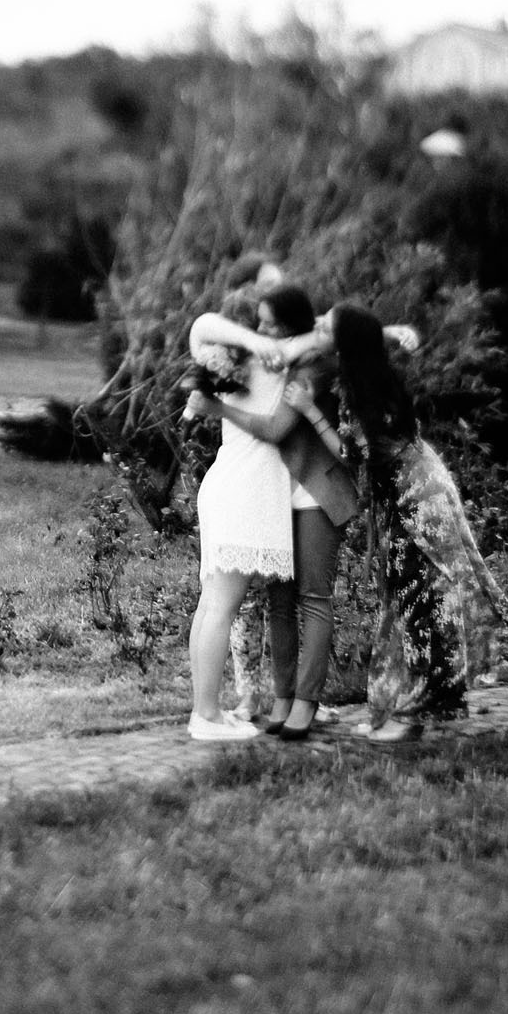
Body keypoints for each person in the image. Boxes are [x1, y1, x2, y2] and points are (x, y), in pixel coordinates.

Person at [189, 284, 425, 740]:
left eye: (270, 325)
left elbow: (327, 345)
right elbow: (214, 328)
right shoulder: (247, 361)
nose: (262, 332)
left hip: (296, 493)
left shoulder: (303, 367)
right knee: (256, 605)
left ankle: (294, 703)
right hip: (259, 495)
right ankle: (245, 705)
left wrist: (389, 332)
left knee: (298, 600)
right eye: (256, 324)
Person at [282, 305, 508, 743]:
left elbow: (353, 455)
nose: (316, 324)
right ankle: (400, 706)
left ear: (342, 343)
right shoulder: (363, 372)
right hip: (406, 491)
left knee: (419, 599)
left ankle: (412, 714)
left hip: (418, 498)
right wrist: (392, 331)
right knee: (405, 598)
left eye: (325, 325)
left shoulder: (362, 388)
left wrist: (308, 410)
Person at [180, 286, 296, 741]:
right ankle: (206, 716)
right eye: (260, 323)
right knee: (220, 607)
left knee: (212, 605)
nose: (267, 330)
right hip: (242, 493)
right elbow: (202, 325)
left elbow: (203, 327)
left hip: (228, 486)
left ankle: (205, 709)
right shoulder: (262, 363)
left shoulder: (232, 366)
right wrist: (260, 341)